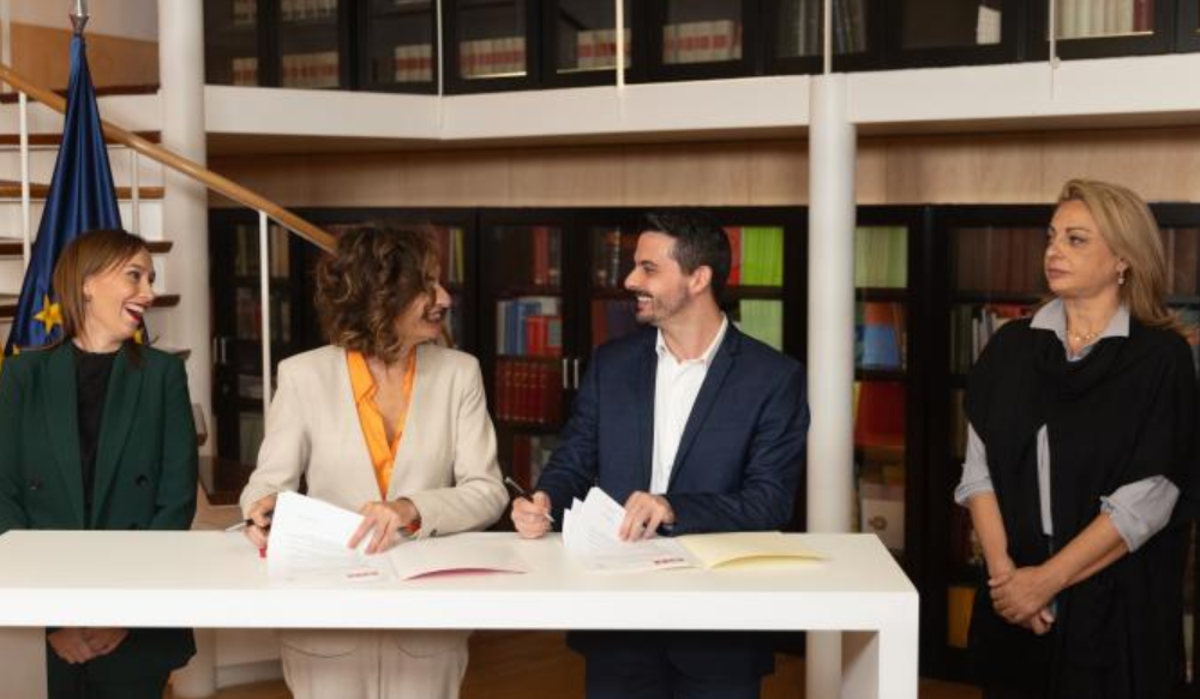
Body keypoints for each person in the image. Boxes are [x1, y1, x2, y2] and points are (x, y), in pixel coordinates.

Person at [512, 209, 809, 699]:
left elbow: (770, 501)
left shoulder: (774, 378)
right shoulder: (612, 363)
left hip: (720, 633)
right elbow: (574, 459)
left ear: (699, 278)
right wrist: (545, 499)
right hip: (618, 626)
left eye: (649, 269)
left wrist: (671, 506)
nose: (630, 280)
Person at [240, 224, 508, 699]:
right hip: (326, 619)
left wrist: (410, 509)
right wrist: (261, 510)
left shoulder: (460, 373)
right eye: (427, 286)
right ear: (381, 296)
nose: (444, 297)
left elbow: (487, 492)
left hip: (429, 622)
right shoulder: (302, 375)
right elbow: (267, 484)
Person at [956, 179, 1198, 699]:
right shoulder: (1012, 347)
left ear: (1123, 259)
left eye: (1077, 239)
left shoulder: (1159, 359)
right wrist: (1006, 581)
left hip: (1116, 606)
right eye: (1052, 236)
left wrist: (1046, 581)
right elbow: (978, 472)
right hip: (1013, 591)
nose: (1054, 251)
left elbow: (1148, 501)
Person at [0, 229, 198, 699]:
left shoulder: (163, 375)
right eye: (135, 276)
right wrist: (53, 616)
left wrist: (123, 612)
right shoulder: (22, 375)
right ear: (87, 283)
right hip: (43, 620)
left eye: (150, 278)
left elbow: (175, 503)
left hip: (134, 622)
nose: (148, 292)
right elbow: (3, 495)